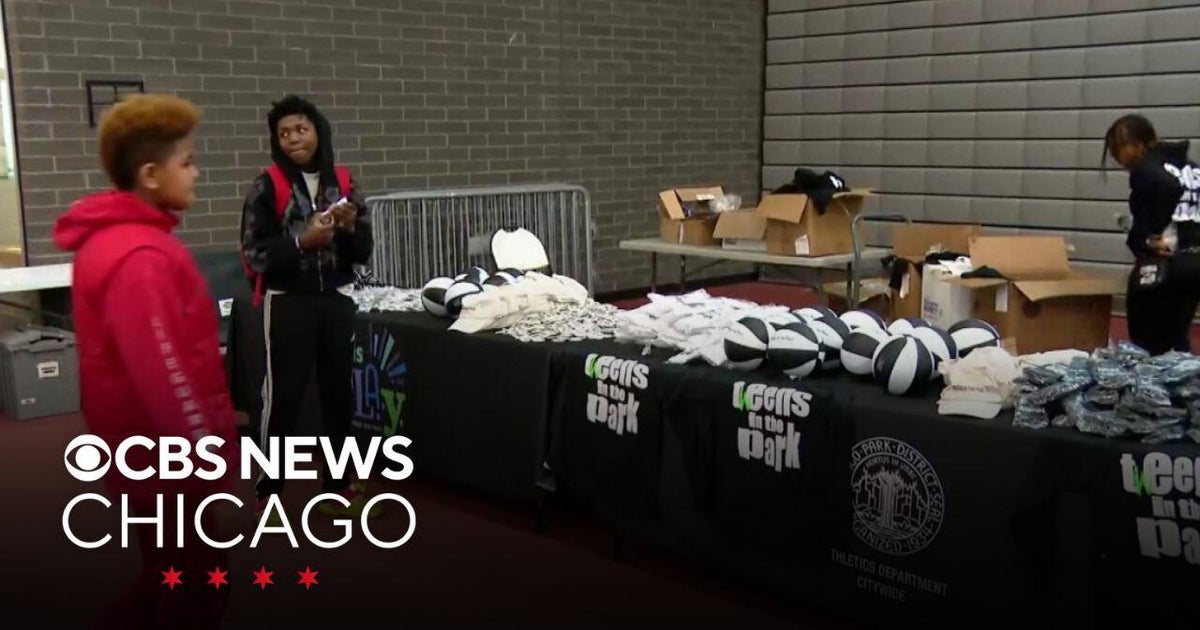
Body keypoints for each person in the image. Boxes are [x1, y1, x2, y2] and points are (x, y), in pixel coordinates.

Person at [53, 94, 239, 628]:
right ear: (152, 174)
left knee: (171, 580)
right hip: (163, 462)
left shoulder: (129, 244)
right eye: (188, 162)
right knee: (197, 589)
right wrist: (206, 469)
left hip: (151, 458)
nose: (196, 172)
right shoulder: (139, 257)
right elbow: (165, 379)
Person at [239, 94, 379, 520]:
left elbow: (362, 251)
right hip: (288, 302)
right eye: (284, 134)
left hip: (336, 299)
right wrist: (301, 241)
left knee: (339, 395)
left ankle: (339, 488)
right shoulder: (268, 184)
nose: (293, 139)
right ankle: (269, 492)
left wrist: (350, 230)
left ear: (318, 131)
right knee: (283, 397)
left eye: (300, 129)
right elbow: (253, 253)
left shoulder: (343, 181)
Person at [1104, 113, 1200, 355]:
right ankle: (1181, 386)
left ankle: (1150, 388)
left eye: (1118, 150)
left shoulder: (1147, 168)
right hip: (1194, 261)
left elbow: (1168, 187)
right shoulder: (1191, 167)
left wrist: (1149, 234)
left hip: (1168, 264)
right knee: (1177, 336)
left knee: (1147, 339)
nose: (1117, 159)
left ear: (1136, 143)